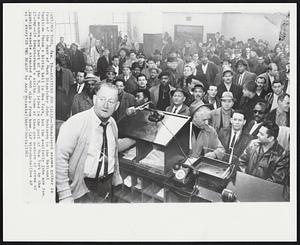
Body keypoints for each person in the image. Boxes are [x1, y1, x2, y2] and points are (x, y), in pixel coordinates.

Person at [56, 83, 134, 203]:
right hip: (82, 188)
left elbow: (111, 148)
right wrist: (65, 195)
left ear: (117, 106)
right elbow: (59, 159)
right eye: (102, 99)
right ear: (94, 99)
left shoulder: (112, 123)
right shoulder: (75, 123)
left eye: (111, 101)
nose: (106, 105)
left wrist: (134, 141)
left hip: (106, 186)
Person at [239, 120, 289, 185]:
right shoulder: (253, 144)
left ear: (271, 138)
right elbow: (241, 162)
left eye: (261, 134)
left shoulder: (282, 155)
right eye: (259, 132)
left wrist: (258, 185)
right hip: (246, 183)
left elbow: (276, 179)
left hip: (264, 189)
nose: (257, 135)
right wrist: (246, 178)